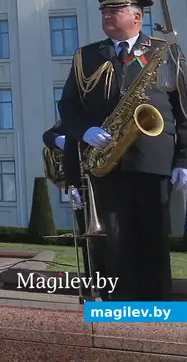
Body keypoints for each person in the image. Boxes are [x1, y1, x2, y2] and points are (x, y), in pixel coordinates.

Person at [58, 0, 187, 301]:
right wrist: (85, 131)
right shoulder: (86, 57)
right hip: (107, 167)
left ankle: (157, 320)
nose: (107, 15)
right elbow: (67, 106)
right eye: (104, 10)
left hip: (153, 165)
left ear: (137, 17)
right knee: (114, 248)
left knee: (153, 245)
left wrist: (185, 159)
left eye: (116, 10)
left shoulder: (165, 53)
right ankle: (119, 319)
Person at [43, 118, 108, 300]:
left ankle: (114, 289)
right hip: (83, 186)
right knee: (89, 242)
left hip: (109, 182)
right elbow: (48, 135)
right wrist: (60, 141)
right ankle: (92, 287)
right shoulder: (76, 115)